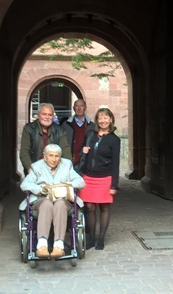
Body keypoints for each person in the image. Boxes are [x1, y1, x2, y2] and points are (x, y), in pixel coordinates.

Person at [20, 144, 85, 258]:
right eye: (51, 156)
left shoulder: (67, 165)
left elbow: (80, 182)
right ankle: (42, 245)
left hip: (62, 201)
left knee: (59, 204)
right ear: (44, 156)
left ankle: (58, 245)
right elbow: (24, 184)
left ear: (60, 157)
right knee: (47, 203)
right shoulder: (36, 167)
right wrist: (39, 189)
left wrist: (66, 185)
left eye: (56, 156)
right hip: (41, 200)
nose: (54, 159)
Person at [78, 107, 120, 251]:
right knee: (89, 207)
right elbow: (81, 150)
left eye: (105, 118)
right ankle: (91, 239)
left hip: (105, 177)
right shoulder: (90, 134)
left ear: (111, 119)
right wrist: (83, 150)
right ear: (97, 120)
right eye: (100, 118)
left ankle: (101, 239)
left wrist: (114, 185)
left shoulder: (114, 140)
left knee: (104, 207)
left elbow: (115, 163)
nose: (103, 121)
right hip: (88, 176)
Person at [20, 103, 71, 175]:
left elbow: (65, 149)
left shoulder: (60, 130)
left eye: (50, 115)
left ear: (53, 116)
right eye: (44, 114)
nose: (47, 117)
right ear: (38, 115)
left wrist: (68, 168)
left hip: (54, 171)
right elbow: (24, 151)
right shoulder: (29, 129)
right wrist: (29, 168)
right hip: (34, 169)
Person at [61, 99, 96, 166]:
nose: (79, 108)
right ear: (73, 108)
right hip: (69, 161)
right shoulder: (65, 125)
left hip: (86, 162)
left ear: (85, 108)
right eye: (77, 106)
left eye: (81, 106)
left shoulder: (92, 126)